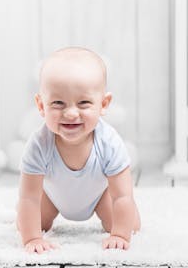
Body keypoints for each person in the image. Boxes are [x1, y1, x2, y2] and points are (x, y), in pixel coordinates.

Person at [17, 46, 141, 254]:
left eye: (83, 103)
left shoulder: (109, 142)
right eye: (58, 103)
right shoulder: (39, 144)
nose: (71, 113)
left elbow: (122, 196)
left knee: (130, 226)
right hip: (51, 196)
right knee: (27, 225)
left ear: (103, 104)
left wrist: (120, 234)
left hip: (99, 196)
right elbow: (28, 197)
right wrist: (32, 239)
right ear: (41, 106)